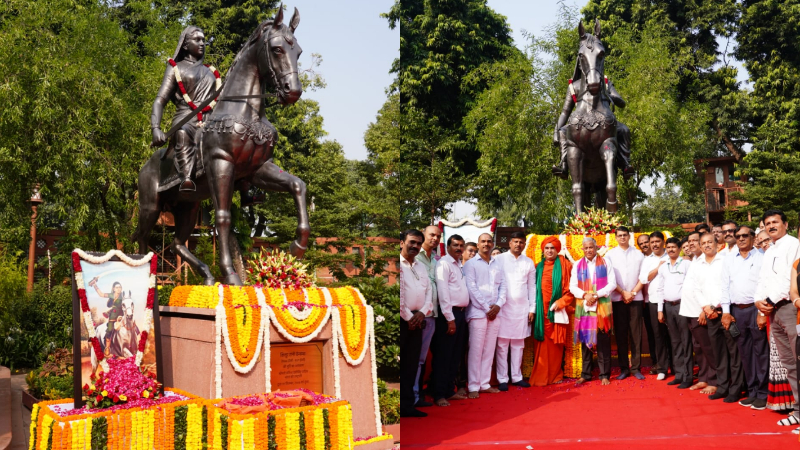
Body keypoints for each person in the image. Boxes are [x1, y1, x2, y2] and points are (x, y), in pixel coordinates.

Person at [151, 26, 218, 192]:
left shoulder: (211, 72)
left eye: (203, 40)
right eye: (197, 40)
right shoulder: (175, 68)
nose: (202, 43)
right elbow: (160, 100)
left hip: (211, 120)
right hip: (186, 119)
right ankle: (186, 178)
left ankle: (245, 186)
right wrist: (155, 128)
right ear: (186, 45)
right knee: (182, 132)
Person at [754, 210, 800, 432]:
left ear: (786, 224)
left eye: (775, 222)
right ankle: (798, 411)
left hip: (790, 308)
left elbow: (787, 280)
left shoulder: (793, 244)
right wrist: (757, 302)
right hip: (773, 311)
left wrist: (768, 301)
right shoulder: (770, 250)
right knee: (789, 364)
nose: (771, 226)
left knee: (798, 362)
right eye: (767, 223)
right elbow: (763, 280)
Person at [720, 226, 767, 409]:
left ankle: (763, 393)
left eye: (744, 236)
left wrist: (762, 313)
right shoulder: (729, 259)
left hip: (756, 310)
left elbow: (765, 285)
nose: (740, 239)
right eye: (737, 236)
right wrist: (726, 311)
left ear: (753, 237)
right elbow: (724, 286)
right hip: (736, 312)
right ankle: (752, 391)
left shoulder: (762, 257)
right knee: (745, 354)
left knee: (761, 352)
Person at [695, 232, 744, 402]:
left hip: (726, 311)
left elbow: (728, 285)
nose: (707, 245)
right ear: (700, 246)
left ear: (717, 244)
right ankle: (722, 386)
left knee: (733, 352)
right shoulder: (698, 264)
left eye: (710, 242)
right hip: (709, 314)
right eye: (704, 243)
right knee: (718, 353)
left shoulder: (725, 260)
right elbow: (696, 289)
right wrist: (706, 308)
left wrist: (716, 306)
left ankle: (736, 388)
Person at [570, 237, 617, 386]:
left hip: (602, 305)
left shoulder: (605, 262)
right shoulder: (577, 264)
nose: (589, 250)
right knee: (585, 340)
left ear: (596, 248)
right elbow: (572, 286)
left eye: (591, 247)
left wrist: (596, 295)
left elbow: (612, 284)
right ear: (582, 249)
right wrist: (586, 295)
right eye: (586, 248)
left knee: (603, 340)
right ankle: (586, 373)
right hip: (584, 305)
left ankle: (604, 374)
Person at [464, 233, 505, 398]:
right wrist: (486, 307)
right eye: (483, 241)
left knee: (489, 350)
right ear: (478, 244)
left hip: (495, 313)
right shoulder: (471, 264)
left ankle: (485, 383)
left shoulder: (497, 264)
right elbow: (471, 287)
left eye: (489, 241)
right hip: (477, 312)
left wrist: (498, 305)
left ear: (492, 243)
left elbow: (504, 286)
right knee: (475, 350)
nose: (486, 244)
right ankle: (473, 385)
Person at [529, 236, 575, 386]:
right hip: (540, 315)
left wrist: (561, 302)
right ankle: (541, 375)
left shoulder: (565, 265)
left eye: (552, 248)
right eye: (547, 248)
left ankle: (555, 375)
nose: (549, 251)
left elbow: (571, 290)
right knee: (541, 345)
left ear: (557, 250)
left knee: (556, 346)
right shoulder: (538, 267)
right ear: (543, 250)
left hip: (557, 313)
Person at [432, 234, 470, 406]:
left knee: (455, 355)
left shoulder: (458, 265)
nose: (459, 248)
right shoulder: (444, 264)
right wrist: (449, 318)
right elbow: (443, 293)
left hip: (461, 313)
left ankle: (449, 390)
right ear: (448, 247)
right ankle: (439, 394)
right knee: (444, 355)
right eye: (455, 245)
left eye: (461, 245)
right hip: (449, 314)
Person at [494, 232, 535, 390]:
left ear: (524, 244)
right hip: (503, 308)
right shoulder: (499, 259)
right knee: (502, 344)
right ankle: (502, 378)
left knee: (518, 344)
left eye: (521, 242)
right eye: (515, 241)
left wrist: (532, 309)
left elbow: (531, 287)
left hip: (521, 309)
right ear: (509, 243)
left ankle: (517, 377)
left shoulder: (528, 262)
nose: (518, 244)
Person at [399, 229, 433, 418]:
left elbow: (428, 292)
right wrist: (408, 317)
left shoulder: (420, 266)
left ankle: (407, 406)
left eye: (418, 243)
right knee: (401, 364)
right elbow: (400, 294)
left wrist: (421, 312)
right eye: (412, 242)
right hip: (403, 321)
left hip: (418, 319)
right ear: (402, 242)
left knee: (412, 365)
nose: (415, 246)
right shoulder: (399, 265)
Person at [604, 227, 645, 380]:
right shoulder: (610, 255)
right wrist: (622, 292)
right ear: (615, 238)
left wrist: (632, 293)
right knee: (621, 335)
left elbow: (643, 276)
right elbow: (609, 279)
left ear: (629, 237)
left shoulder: (638, 254)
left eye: (625, 235)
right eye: (619, 235)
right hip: (617, 298)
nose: (622, 238)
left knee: (636, 334)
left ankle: (636, 368)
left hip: (636, 298)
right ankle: (624, 368)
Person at [653, 237, 693, 389]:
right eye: (668, 247)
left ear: (679, 248)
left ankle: (688, 376)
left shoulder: (687, 264)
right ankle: (679, 374)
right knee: (675, 341)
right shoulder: (663, 267)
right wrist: (660, 310)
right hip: (668, 307)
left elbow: (690, 286)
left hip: (683, 306)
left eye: (673, 247)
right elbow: (660, 289)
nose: (670, 250)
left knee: (685, 341)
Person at [681, 231, 717, 394]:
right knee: (699, 348)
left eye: (696, 241)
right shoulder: (693, 260)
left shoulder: (707, 261)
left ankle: (714, 379)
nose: (692, 244)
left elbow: (707, 289)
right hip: (689, 310)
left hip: (701, 311)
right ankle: (703, 377)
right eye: (689, 241)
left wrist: (703, 310)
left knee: (708, 347)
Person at [633, 231, 671, 379]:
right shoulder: (647, 260)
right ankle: (661, 367)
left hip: (671, 301)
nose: (654, 244)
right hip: (653, 301)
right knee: (658, 335)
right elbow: (643, 279)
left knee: (674, 335)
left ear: (663, 242)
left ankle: (676, 366)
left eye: (657, 241)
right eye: (652, 242)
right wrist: (657, 269)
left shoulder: (671, 255)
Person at [413, 226, 441, 408]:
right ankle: (412, 396)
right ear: (424, 235)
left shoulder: (438, 259)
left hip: (433, 315)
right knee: (414, 357)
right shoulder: (414, 257)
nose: (435, 239)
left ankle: (417, 393)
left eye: (438, 236)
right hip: (416, 315)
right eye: (432, 235)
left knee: (422, 358)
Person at [87, 279, 125, 355]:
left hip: (122, 315)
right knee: (110, 329)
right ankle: (107, 347)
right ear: (114, 289)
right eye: (117, 287)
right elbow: (101, 294)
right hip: (113, 317)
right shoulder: (112, 295)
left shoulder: (123, 296)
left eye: (120, 287)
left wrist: (121, 316)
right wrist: (95, 285)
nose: (119, 289)